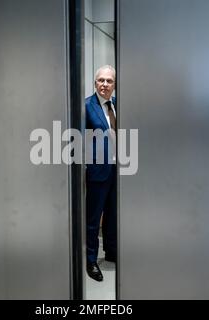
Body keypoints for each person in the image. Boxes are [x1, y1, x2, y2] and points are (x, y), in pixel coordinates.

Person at [85, 65, 117, 282]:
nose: (105, 84)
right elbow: (77, 137)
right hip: (98, 170)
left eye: (109, 81)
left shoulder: (116, 105)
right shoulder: (87, 106)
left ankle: (112, 252)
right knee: (93, 218)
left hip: (119, 169)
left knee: (113, 216)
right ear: (95, 82)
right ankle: (91, 260)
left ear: (114, 85)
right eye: (101, 80)